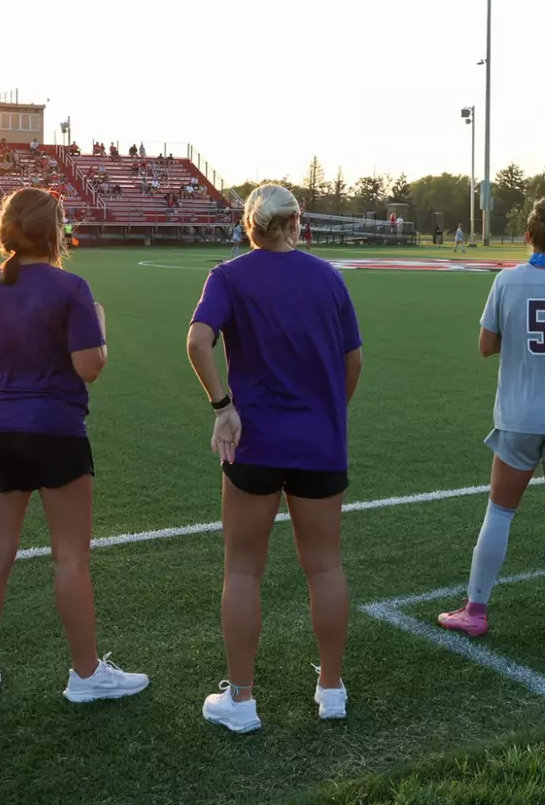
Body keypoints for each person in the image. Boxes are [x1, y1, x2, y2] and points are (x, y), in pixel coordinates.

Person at [0, 188, 148, 704]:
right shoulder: (71, 288)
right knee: (70, 558)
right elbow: (91, 366)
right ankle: (85, 676)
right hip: (56, 431)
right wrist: (101, 326)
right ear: (55, 230)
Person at [188, 184, 363, 732]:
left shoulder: (229, 276)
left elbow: (197, 341)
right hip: (318, 442)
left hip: (255, 443)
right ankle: (331, 688)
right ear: (296, 221)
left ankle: (241, 700)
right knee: (325, 566)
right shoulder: (328, 278)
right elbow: (352, 361)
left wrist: (223, 407)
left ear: (249, 226)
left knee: (243, 570)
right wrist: (328, 411)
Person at [437, 199, 545, 640]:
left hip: (517, 415)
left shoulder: (506, 281)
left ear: (528, 238)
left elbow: (485, 345)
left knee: (499, 512)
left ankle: (475, 609)